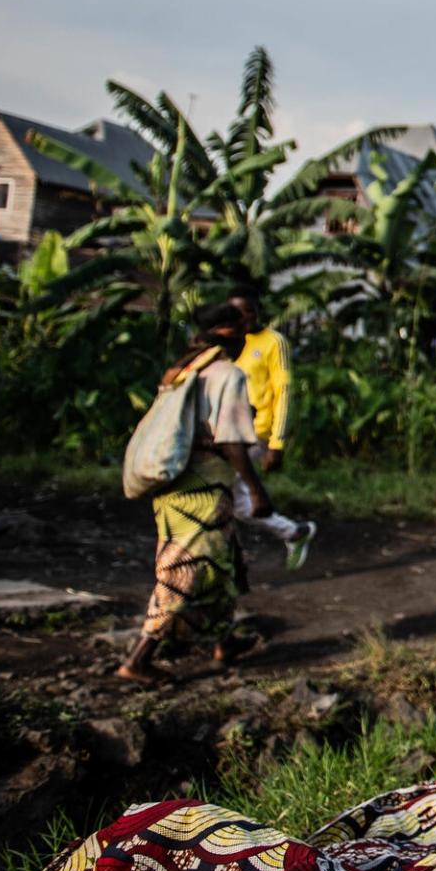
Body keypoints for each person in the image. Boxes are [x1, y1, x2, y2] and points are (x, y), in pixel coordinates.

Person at [117, 303, 277, 684]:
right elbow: (231, 442)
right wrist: (256, 490)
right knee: (187, 569)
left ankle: (224, 641)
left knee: (222, 562)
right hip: (201, 487)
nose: (245, 337)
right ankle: (139, 658)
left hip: (179, 484)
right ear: (227, 330)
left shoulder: (185, 370)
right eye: (242, 329)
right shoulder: (228, 375)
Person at [226, 284, 315, 570]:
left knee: (238, 502)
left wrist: (277, 443)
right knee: (225, 499)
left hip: (256, 434)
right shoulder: (230, 343)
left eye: (246, 312)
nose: (242, 319)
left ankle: (292, 531)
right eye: (235, 314)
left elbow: (283, 393)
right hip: (227, 433)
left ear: (256, 312)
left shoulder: (272, 343)